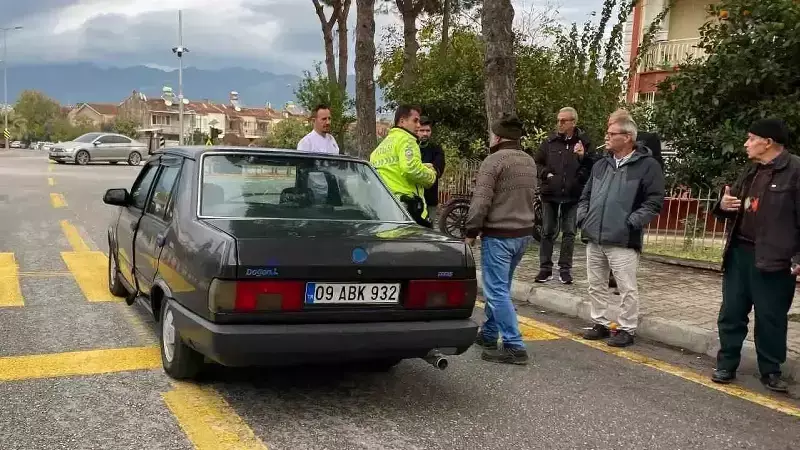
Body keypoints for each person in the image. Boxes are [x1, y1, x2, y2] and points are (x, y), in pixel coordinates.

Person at [710, 118, 798, 393]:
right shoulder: (751, 171)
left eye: (751, 138)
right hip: (740, 253)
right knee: (732, 313)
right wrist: (723, 205)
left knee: (771, 317)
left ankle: (771, 370)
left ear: (768, 142)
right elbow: (730, 204)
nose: (746, 144)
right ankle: (726, 364)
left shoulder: (795, 171)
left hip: (775, 259)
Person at [577, 115, 665, 347]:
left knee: (626, 286)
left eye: (612, 133)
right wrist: (583, 218)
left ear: (627, 138)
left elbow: (654, 201)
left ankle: (627, 328)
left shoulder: (647, 166)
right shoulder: (601, 164)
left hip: (623, 238)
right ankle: (601, 323)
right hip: (594, 235)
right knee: (596, 284)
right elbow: (586, 195)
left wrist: (631, 222)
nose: (607, 137)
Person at [465, 114, 538, 365]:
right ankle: (488, 333)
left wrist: (471, 231)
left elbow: (481, 200)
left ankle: (514, 346)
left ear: (497, 136)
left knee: (495, 291)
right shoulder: (529, 161)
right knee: (502, 288)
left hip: (499, 235)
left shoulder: (493, 161)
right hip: (523, 234)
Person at [605, 108, 665, 294]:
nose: (608, 130)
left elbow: (656, 168)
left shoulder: (648, 139)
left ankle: (624, 277)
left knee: (630, 240)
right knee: (609, 236)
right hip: (612, 196)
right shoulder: (610, 141)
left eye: (612, 125)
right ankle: (611, 274)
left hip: (636, 199)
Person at [533, 107, 594, 285]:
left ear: (573, 122)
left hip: (572, 194)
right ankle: (545, 269)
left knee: (569, 232)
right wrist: (546, 175)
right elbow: (537, 162)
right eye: (558, 120)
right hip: (550, 193)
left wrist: (582, 161)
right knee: (547, 231)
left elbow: (591, 165)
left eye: (563, 121)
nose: (559, 124)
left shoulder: (584, 142)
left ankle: (565, 270)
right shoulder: (549, 142)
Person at [370, 105, 437, 227]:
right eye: (415, 120)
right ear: (402, 121)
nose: (418, 125)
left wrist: (421, 165)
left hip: (385, 208)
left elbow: (394, 169)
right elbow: (410, 169)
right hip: (408, 209)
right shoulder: (407, 139)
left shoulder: (381, 147)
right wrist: (431, 175)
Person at [417, 116, 446, 227]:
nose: (425, 133)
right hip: (412, 199)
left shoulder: (436, 149)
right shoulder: (411, 147)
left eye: (427, 130)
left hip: (430, 199)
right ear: (417, 130)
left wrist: (419, 167)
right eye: (422, 130)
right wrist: (427, 166)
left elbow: (438, 168)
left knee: (428, 230)